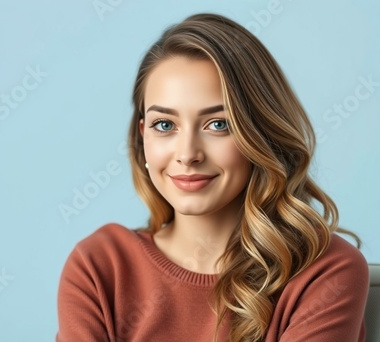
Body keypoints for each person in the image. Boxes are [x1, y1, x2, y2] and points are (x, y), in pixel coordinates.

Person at [55, 13, 369, 342]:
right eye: (165, 125)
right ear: (142, 136)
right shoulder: (100, 266)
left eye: (218, 124)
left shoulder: (326, 272)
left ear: (260, 133)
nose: (188, 153)